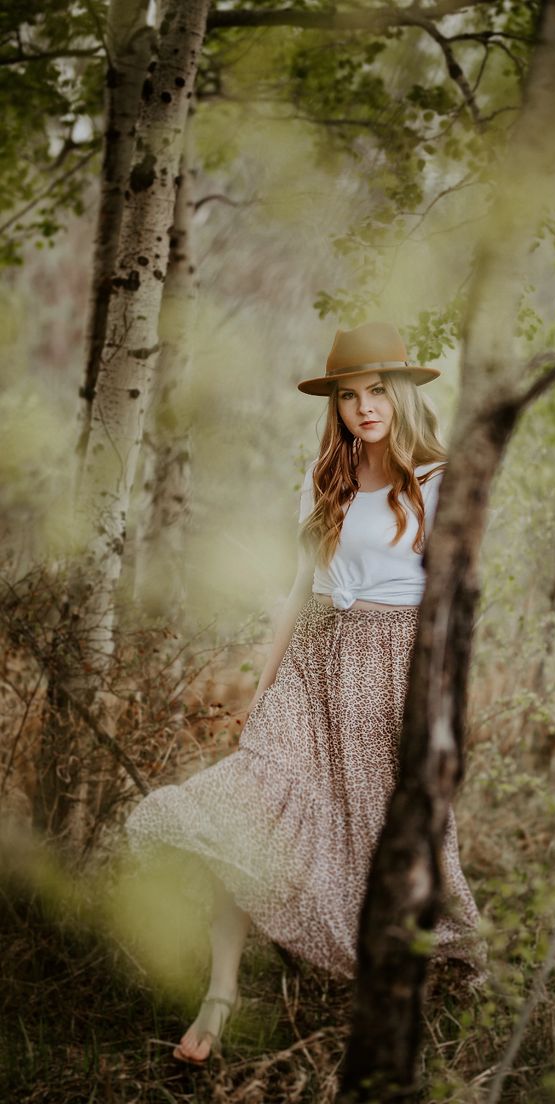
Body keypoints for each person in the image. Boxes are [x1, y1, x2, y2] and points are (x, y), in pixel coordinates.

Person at [124, 321, 485, 1064]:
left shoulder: (439, 482)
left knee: (388, 838)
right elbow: (297, 593)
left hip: (392, 677)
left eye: (377, 390)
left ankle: (405, 996)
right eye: (349, 396)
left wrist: (440, 706)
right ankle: (219, 1000)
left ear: (404, 394)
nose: (364, 407)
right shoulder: (324, 481)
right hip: (312, 670)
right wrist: (264, 687)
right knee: (243, 812)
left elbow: (449, 608)